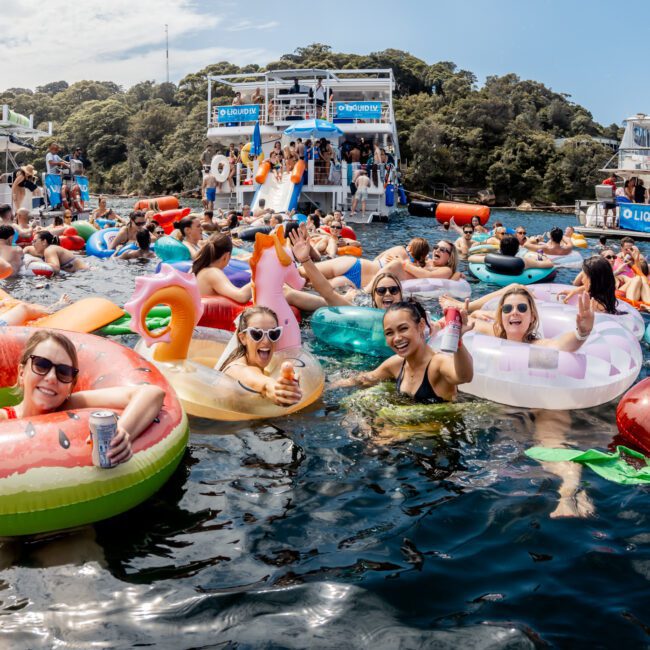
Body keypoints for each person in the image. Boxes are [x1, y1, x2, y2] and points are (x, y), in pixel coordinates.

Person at [0, 330, 164, 466]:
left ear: (71, 386)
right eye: (41, 364)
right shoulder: (4, 418)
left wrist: (124, 431)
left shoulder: (70, 404)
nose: (51, 377)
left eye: (64, 372)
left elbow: (151, 393)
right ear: (22, 373)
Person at [332, 301, 474, 403]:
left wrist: (457, 341)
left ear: (421, 326)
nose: (397, 338)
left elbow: (464, 377)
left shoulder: (437, 363)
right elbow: (365, 379)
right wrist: (330, 387)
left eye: (403, 328)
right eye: (389, 333)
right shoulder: (396, 364)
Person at [469, 285, 595, 352]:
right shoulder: (491, 332)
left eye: (522, 308)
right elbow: (465, 322)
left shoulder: (537, 345)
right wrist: (475, 313)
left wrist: (582, 332)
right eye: (507, 309)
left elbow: (561, 345)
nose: (514, 312)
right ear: (501, 316)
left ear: (532, 317)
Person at [218, 307, 302, 406]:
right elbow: (262, 383)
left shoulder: (257, 364)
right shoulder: (237, 369)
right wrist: (276, 389)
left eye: (273, 334)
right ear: (243, 338)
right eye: (257, 334)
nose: (266, 341)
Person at [193, 234, 252, 304]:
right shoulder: (212, 272)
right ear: (226, 256)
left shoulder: (201, 268)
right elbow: (242, 296)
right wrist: (260, 279)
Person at [468, 235, 553, 270]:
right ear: (517, 250)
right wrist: (544, 256)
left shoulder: (491, 258)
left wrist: (485, 255)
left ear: (500, 249)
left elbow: (470, 258)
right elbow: (549, 264)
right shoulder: (525, 261)